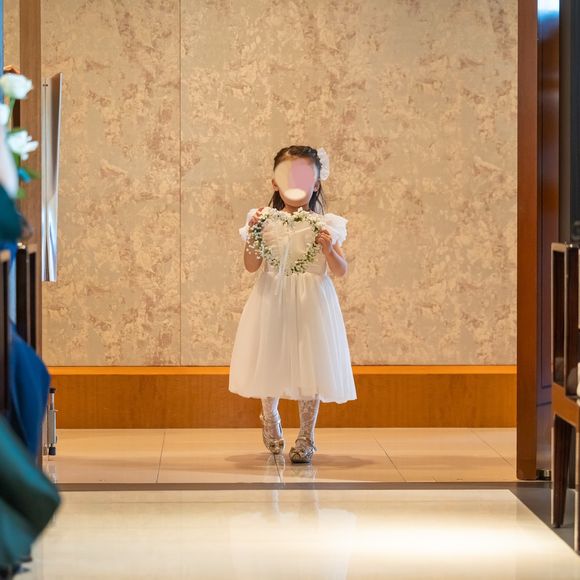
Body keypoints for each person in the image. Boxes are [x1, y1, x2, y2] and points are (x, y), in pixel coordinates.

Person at [229, 145, 356, 464]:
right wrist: (253, 236)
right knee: (269, 355)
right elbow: (251, 265)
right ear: (275, 182)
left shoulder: (326, 224)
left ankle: (306, 434)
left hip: (312, 301)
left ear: (316, 183)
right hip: (273, 296)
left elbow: (341, 270)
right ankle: (270, 416)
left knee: (311, 362)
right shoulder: (263, 220)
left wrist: (330, 251)